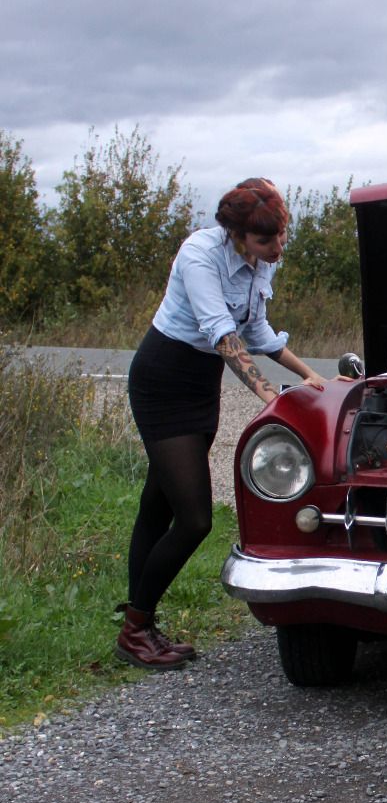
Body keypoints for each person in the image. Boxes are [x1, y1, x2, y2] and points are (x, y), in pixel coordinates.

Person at [118, 177, 327, 670]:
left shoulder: (257, 262)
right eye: (265, 240)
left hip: (199, 384)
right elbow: (223, 336)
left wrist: (307, 374)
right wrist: (267, 393)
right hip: (164, 379)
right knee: (193, 518)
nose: (277, 248)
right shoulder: (200, 256)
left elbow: (256, 330)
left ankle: (137, 618)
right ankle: (134, 630)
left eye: (281, 236)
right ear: (235, 234)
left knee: (157, 502)